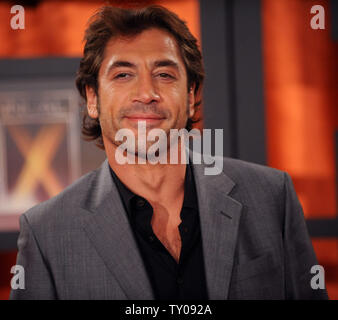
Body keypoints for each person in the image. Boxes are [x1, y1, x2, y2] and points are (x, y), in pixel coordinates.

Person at [10, 5, 328, 300]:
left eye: (164, 74)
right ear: (92, 98)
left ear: (190, 97)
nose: (147, 93)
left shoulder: (272, 198)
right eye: (123, 74)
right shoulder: (46, 233)